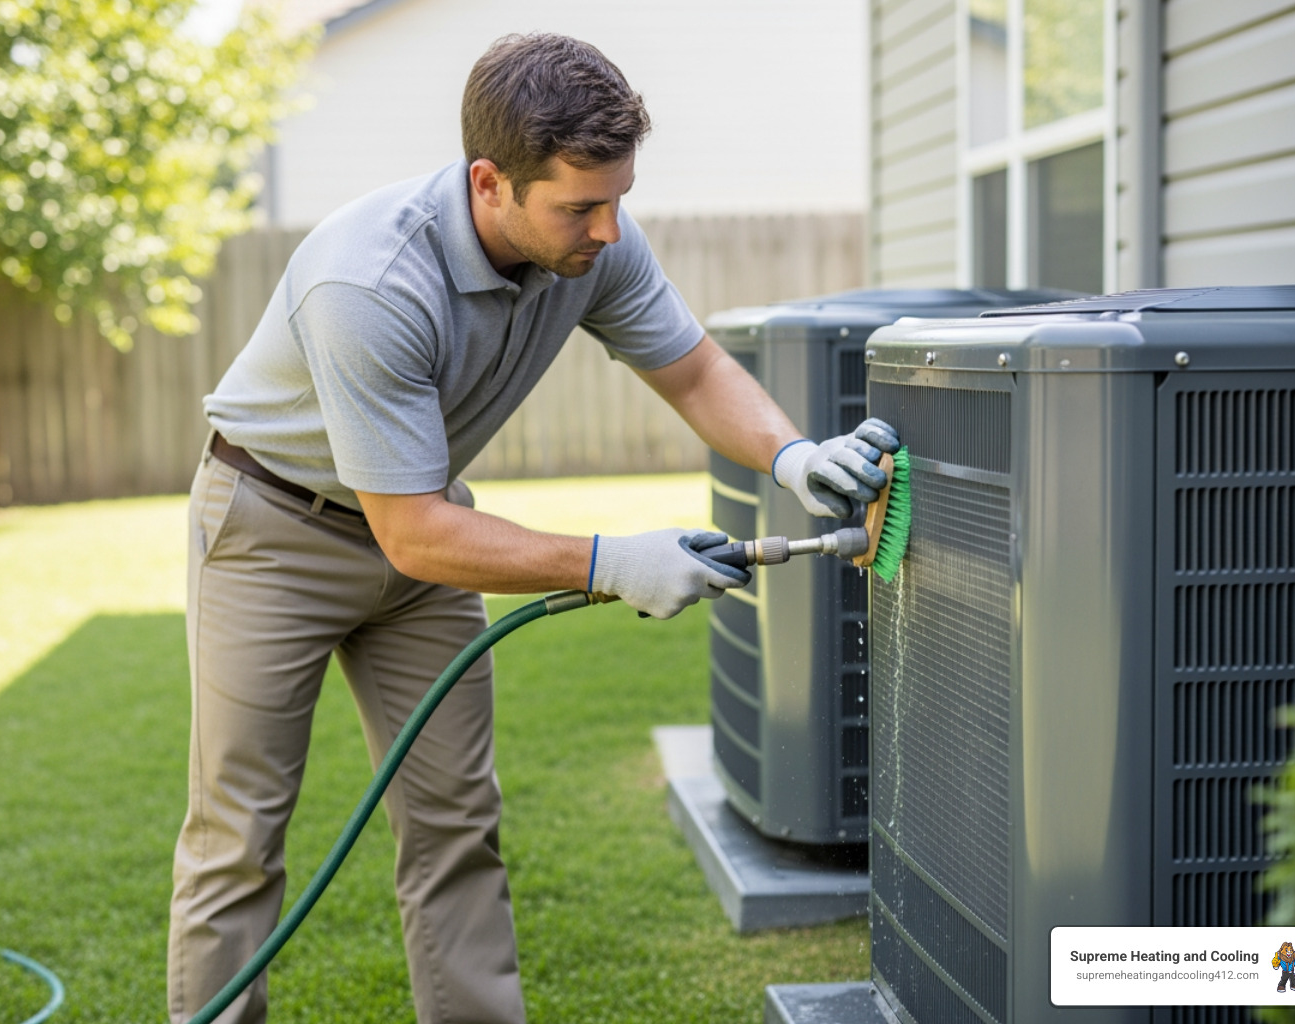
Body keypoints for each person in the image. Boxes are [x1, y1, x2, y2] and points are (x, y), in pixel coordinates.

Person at [167, 32, 899, 1024]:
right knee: (238, 833)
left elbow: (691, 369)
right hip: (273, 531)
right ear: (489, 183)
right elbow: (415, 533)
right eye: (580, 206)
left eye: (618, 198)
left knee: (458, 821)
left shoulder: (597, 242)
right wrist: (608, 561)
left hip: (420, 536)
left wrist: (791, 454)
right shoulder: (372, 283)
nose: (608, 229)